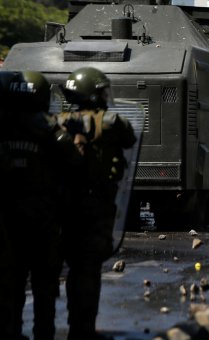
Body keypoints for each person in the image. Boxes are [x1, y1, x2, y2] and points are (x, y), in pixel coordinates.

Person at [0, 71, 80, 340]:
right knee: (44, 283)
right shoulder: (49, 128)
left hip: (9, 219)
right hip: (43, 219)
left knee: (11, 280)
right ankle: (43, 334)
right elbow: (75, 164)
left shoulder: (4, 125)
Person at [58, 67, 136, 340]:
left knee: (72, 266)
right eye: (102, 91)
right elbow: (130, 137)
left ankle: (73, 326)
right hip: (97, 203)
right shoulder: (111, 122)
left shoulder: (58, 121)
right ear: (93, 94)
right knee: (89, 268)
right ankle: (84, 330)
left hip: (65, 204)